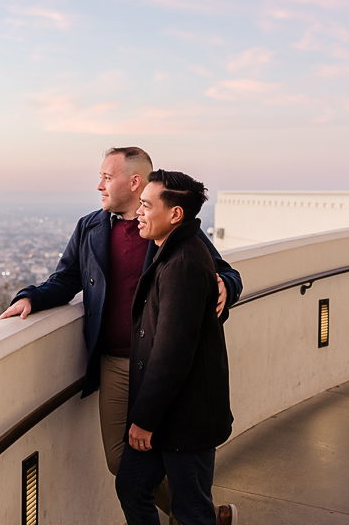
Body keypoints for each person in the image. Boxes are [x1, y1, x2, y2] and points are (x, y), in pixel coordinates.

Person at [0, 148, 240, 525]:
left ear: (134, 182)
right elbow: (66, 279)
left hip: (164, 365)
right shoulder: (91, 228)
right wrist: (31, 296)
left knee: (161, 464)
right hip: (116, 362)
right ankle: (199, 515)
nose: (99, 186)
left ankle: (196, 515)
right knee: (121, 461)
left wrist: (224, 284)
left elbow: (220, 272)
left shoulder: (170, 231)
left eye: (107, 178)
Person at [115, 169, 234, 525]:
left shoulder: (183, 262)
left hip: (186, 416)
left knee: (192, 509)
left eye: (147, 206)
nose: (139, 212)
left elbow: (172, 351)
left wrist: (144, 421)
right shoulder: (168, 250)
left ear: (175, 214)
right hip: (169, 413)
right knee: (132, 486)